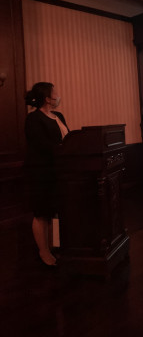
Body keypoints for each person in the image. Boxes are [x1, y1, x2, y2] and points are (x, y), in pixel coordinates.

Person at [24, 82, 69, 267]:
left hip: (58, 170)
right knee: (41, 212)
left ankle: (52, 246)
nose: (58, 95)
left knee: (52, 211)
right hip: (41, 172)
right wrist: (60, 150)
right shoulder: (33, 119)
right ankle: (43, 251)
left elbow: (68, 138)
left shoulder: (58, 115)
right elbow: (41, 145)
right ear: (47, 98)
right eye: (55, 92)